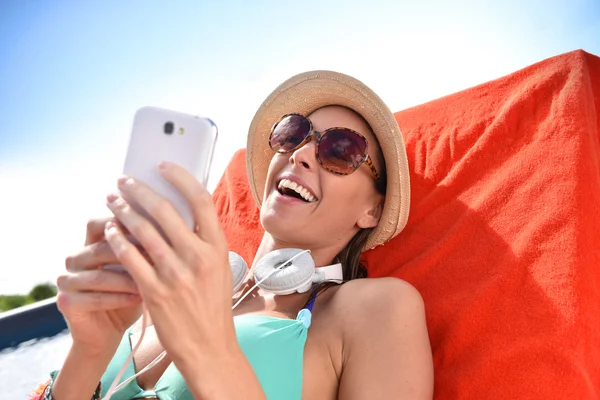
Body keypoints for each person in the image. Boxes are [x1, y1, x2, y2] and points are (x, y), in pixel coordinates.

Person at [30, 71, 433, 400]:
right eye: (294, 134)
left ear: (372, 210)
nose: (300, 154)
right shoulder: (169, 293)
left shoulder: (376, 308)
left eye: (341, 151)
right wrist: (88, 353)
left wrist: (209, 353)